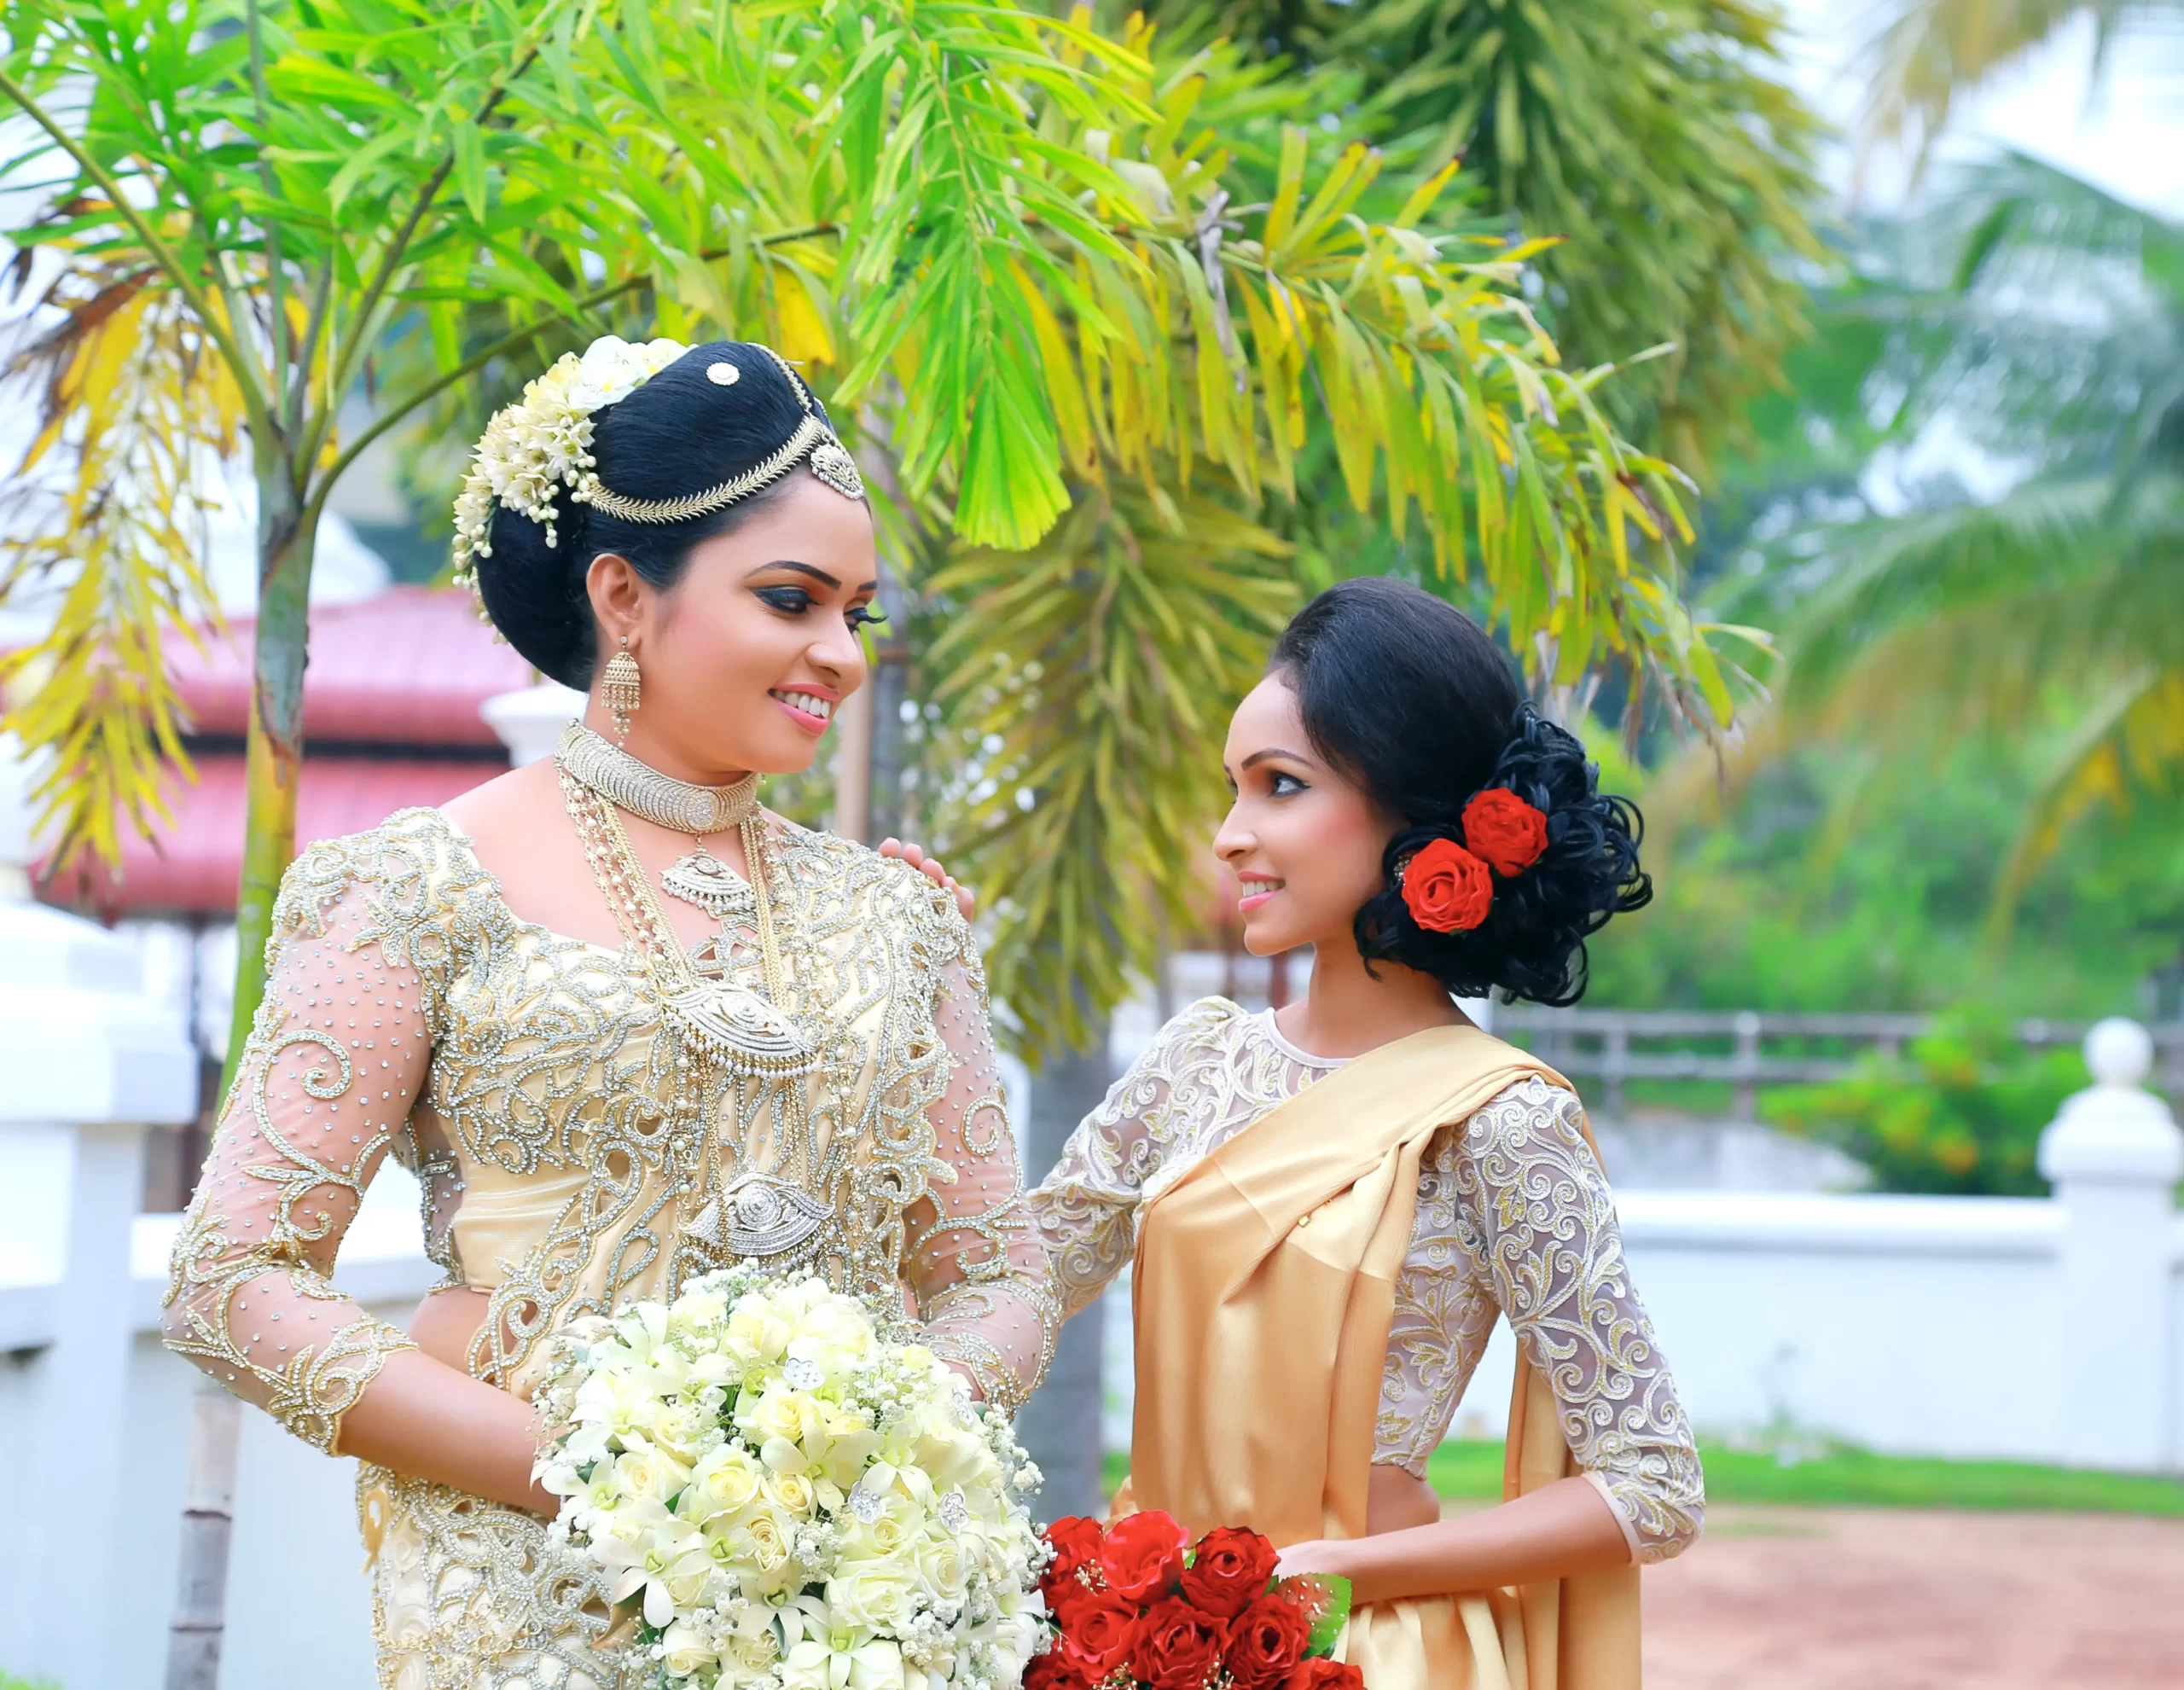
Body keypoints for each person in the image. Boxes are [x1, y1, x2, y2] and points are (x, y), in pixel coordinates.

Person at [161, 336, 1058, 1688]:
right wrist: (621, 1478)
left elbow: (997, 1276)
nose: (839, 654)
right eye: (791, 599)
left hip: (851, 1615)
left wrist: (869, 1457)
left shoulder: (898, 917)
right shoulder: (413, 887)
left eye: (856, 614)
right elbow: (234, 1284)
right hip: (535, 1597)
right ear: (625, 596)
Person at [1025, 578, 1703, 1687]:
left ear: (1413, 812)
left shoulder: (1497, 1122)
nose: (1230, 836)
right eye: (1233, 791)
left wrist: (1349, 1569)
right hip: (1143, 1645)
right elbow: (1010, 1283)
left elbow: (1653, 1485)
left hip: (1366, 1657)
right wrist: (935, 998)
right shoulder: (1197, 1061)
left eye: (1280, 788)